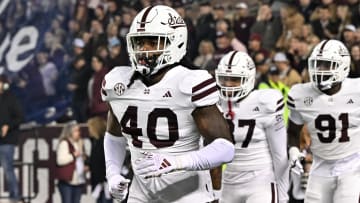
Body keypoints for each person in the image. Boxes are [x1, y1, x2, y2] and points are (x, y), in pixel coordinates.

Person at [101, 5, 235, 203]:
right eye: (139, 42)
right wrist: (112, 174)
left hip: (189, 193)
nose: (144, 49)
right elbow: (114, 136)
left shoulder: (189, 82)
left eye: (152, 41)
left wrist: (176, 162)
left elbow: (225, 148)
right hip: (141, 193)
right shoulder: (117, 83)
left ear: (176, 42)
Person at [287, 39, 360, 203]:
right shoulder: (300, 94)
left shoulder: (357, 90)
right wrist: (293, 150)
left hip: (352, 165)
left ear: (343, 65)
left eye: (327, 65)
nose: (320, 70)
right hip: (320, 165)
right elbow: (293, 131)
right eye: (317, 64)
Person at [214, 51, 289, 203]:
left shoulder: (265, 102)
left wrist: (283, 194)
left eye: (235, 79)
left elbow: (280, 155)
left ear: (249, 79)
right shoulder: (214, 102)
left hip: (260, 181)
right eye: (224, 79)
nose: (228, 84)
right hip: (228, 180)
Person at [0, 75, 24, 203]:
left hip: (7, 141)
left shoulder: (10, 98)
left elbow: (20, 117)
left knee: (7, 168)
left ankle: (14, 196)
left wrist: (8, 126)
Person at [56, 122, 87, 203]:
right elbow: (60, 160)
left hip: (78, 181)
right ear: (69, 132)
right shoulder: (64, 143)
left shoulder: (79, 143)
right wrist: (73, 155)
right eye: (76, 131)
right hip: (67, 181)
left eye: (79, 130)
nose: (78, 133)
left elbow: (81, 160)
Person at [87, 117, 112, 203]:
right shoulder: (95, 142)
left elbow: (107, 163)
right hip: (98, 183)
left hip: (105, 182)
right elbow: (95, 162)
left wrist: (103, 179)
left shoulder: (104, 143)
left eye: (90, 128)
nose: (89, 130)